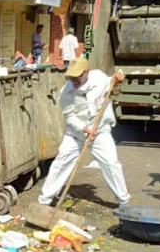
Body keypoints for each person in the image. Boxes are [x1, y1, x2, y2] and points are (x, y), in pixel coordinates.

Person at [38, 58, 131, 206]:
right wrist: (84, 128)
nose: (74, 80)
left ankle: (124, 201)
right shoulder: (66, 92)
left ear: (87, 72)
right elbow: (70, 117)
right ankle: (44, 201)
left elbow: (113, 79)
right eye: (71, 76)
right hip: (76, 134)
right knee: (61, 162)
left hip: (100, 132)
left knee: (111, 163)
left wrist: (119, 76)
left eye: (78, 76)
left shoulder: (99, 79)